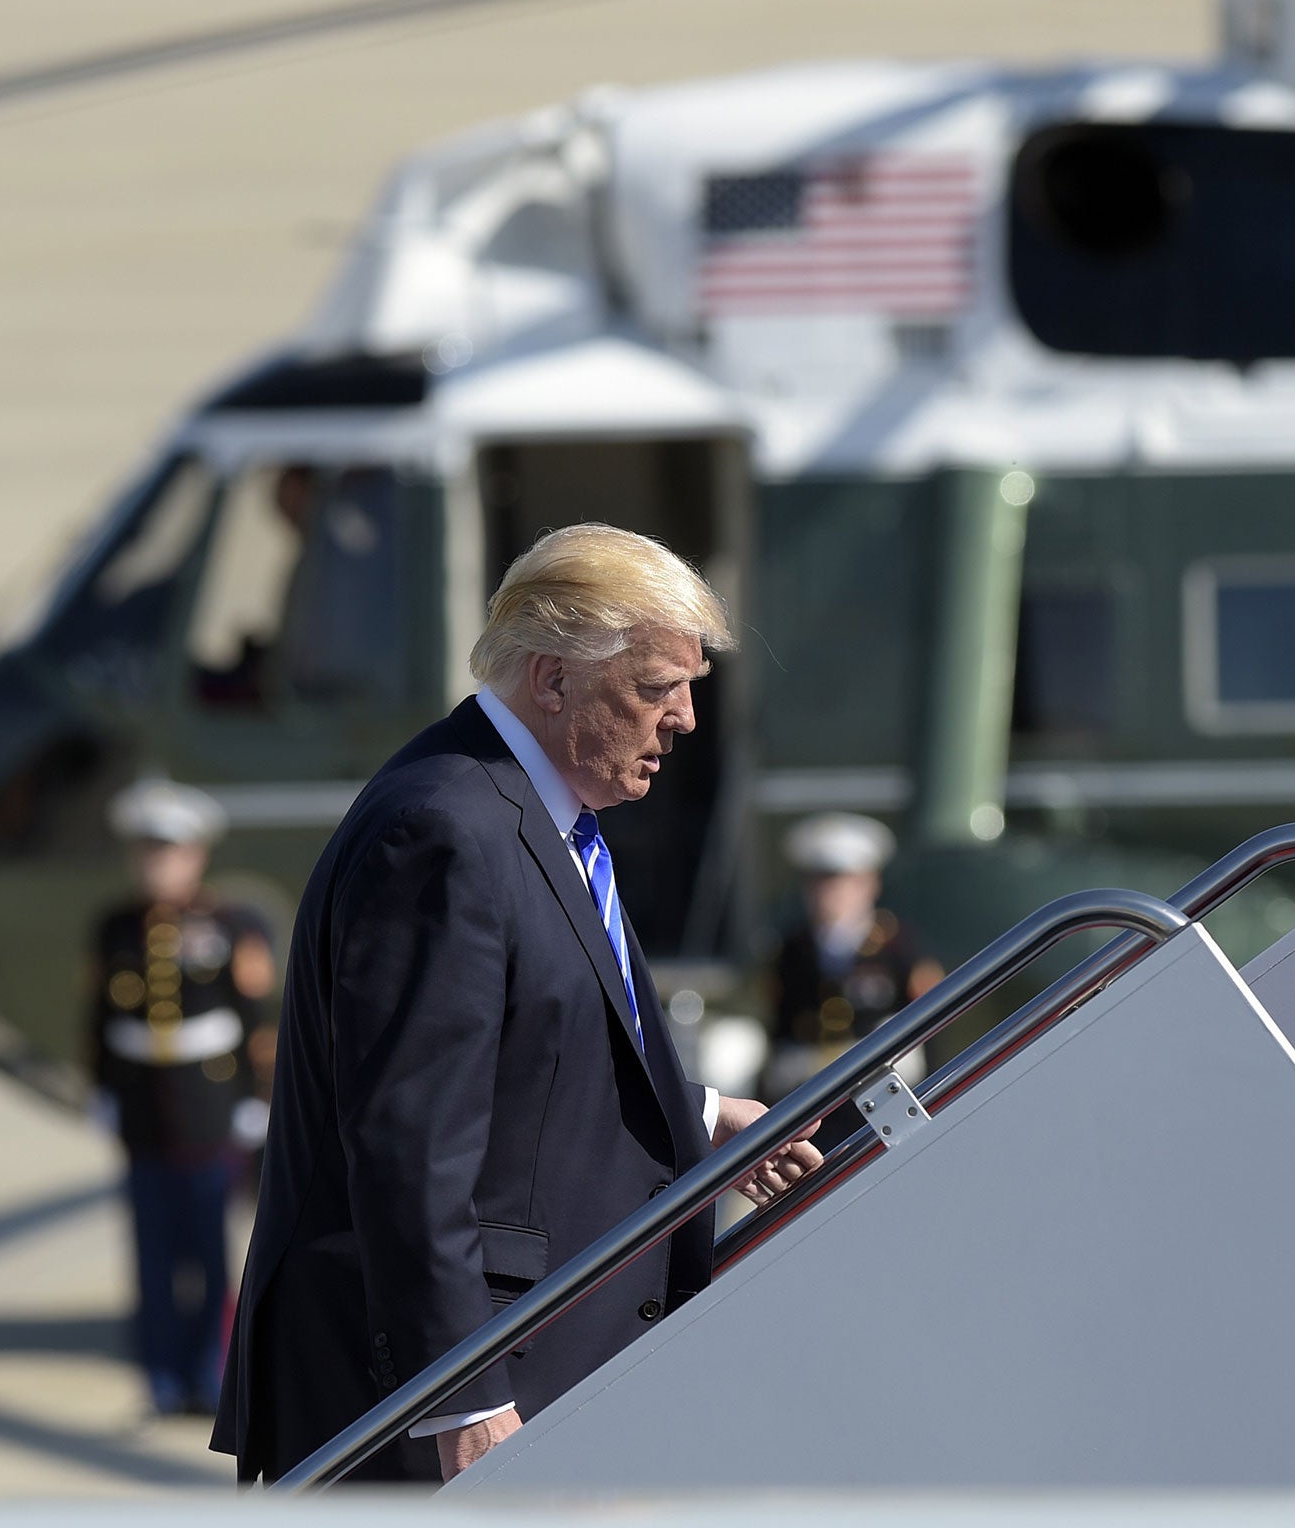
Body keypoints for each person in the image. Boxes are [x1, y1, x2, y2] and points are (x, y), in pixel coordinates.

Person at [213, 523, 821, 1485]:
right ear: (552, 680)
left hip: (534, 1364)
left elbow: (534, 1050)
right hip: (441, 1406)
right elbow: (409, 1143)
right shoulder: (445, 832)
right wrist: (461, 1393)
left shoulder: (534, 815)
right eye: (660, 687)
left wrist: (701, 1116)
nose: (687, 719)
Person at [89, 779, 276, 1418]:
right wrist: (103, 1092)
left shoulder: (227, 926)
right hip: (144, 1112)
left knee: (208, 1251)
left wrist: (256, 1099)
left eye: (170, 853)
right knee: (152, 1254)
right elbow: (98, 1021)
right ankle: (162, 1378)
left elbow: (255, 1018)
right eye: (147, 854)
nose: (158, 866)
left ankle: (209, 1372)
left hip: (208, 1107)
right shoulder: (114, 926)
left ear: (196, 856)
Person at [765, 813, 942, 1153]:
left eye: (842, 881)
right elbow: (779, 1032)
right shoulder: (791, 951)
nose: (829, 893)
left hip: (889, 1102)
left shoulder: (899, 947)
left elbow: (931, 1033)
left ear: (869, 884)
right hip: (813, 1107)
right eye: (819, 881)